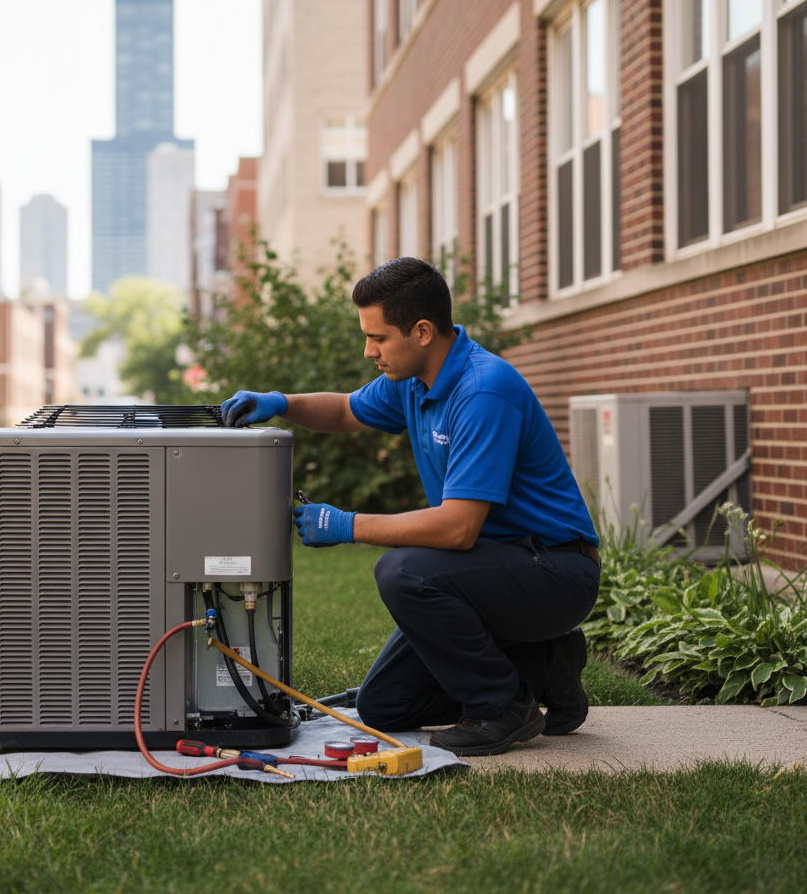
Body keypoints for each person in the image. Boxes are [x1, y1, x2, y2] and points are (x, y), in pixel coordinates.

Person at [221, 257, 600, 757]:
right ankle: (545, 658)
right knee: (386, 707)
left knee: (405, 573)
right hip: (498, 565)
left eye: (378, 337)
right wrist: (280, 402)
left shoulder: (483, 391)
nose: (367, 350)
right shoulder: (413, 382)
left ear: (422, 331)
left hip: (555, 568)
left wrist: (346, 524)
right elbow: (344, 409)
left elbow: (459, 529)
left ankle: (503, 706)